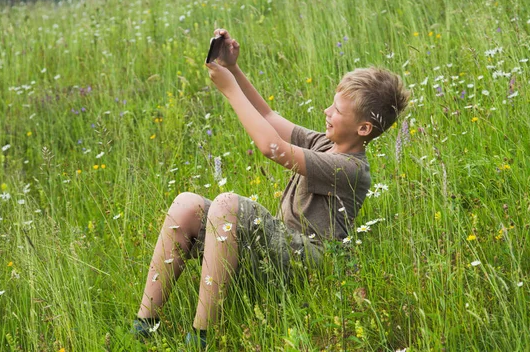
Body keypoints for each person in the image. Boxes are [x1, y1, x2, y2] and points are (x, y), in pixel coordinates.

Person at [131, 29, 410, 347]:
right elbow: (268, 115)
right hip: (276, 251)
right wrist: (234, 70)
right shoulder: (324, 143)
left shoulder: (350, 169)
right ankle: (145, 324)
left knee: (228, 204)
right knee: (185, 205)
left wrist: (228, 90)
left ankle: (202, 337)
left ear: (363, 128)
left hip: (308, 266)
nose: (326, 113)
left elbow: (271, 147)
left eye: (337, 111)